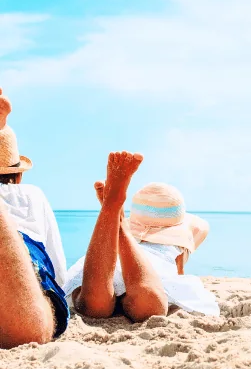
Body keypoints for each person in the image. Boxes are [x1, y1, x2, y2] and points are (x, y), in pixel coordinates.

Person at [62, 158, 219, 321]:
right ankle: (122, 229)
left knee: (91, 305)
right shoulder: (176, 245)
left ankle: (115, 218)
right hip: (148, 270)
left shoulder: (107, 247)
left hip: (108, 262)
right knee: (151, 308)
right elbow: (178, 275)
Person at [0, 87, 69, 349]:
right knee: (30, 329)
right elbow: (55, 254)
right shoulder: (31, 194)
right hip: (23, 259)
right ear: (18, 174)